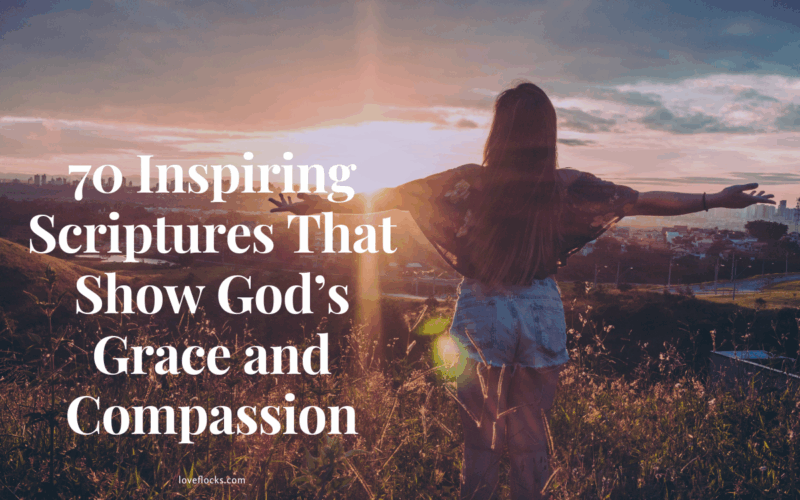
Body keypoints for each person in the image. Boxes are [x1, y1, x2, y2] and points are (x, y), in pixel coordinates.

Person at [270, 82, 775, 499]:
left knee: (481, 442)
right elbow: (645, 201)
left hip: (483, 308)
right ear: (547, 133)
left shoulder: (468, 183)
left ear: (498, 132)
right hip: (540, 309)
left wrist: (320, 205)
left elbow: (389, 197)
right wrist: (714, 198)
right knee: (532, 440)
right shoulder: (569, 186)